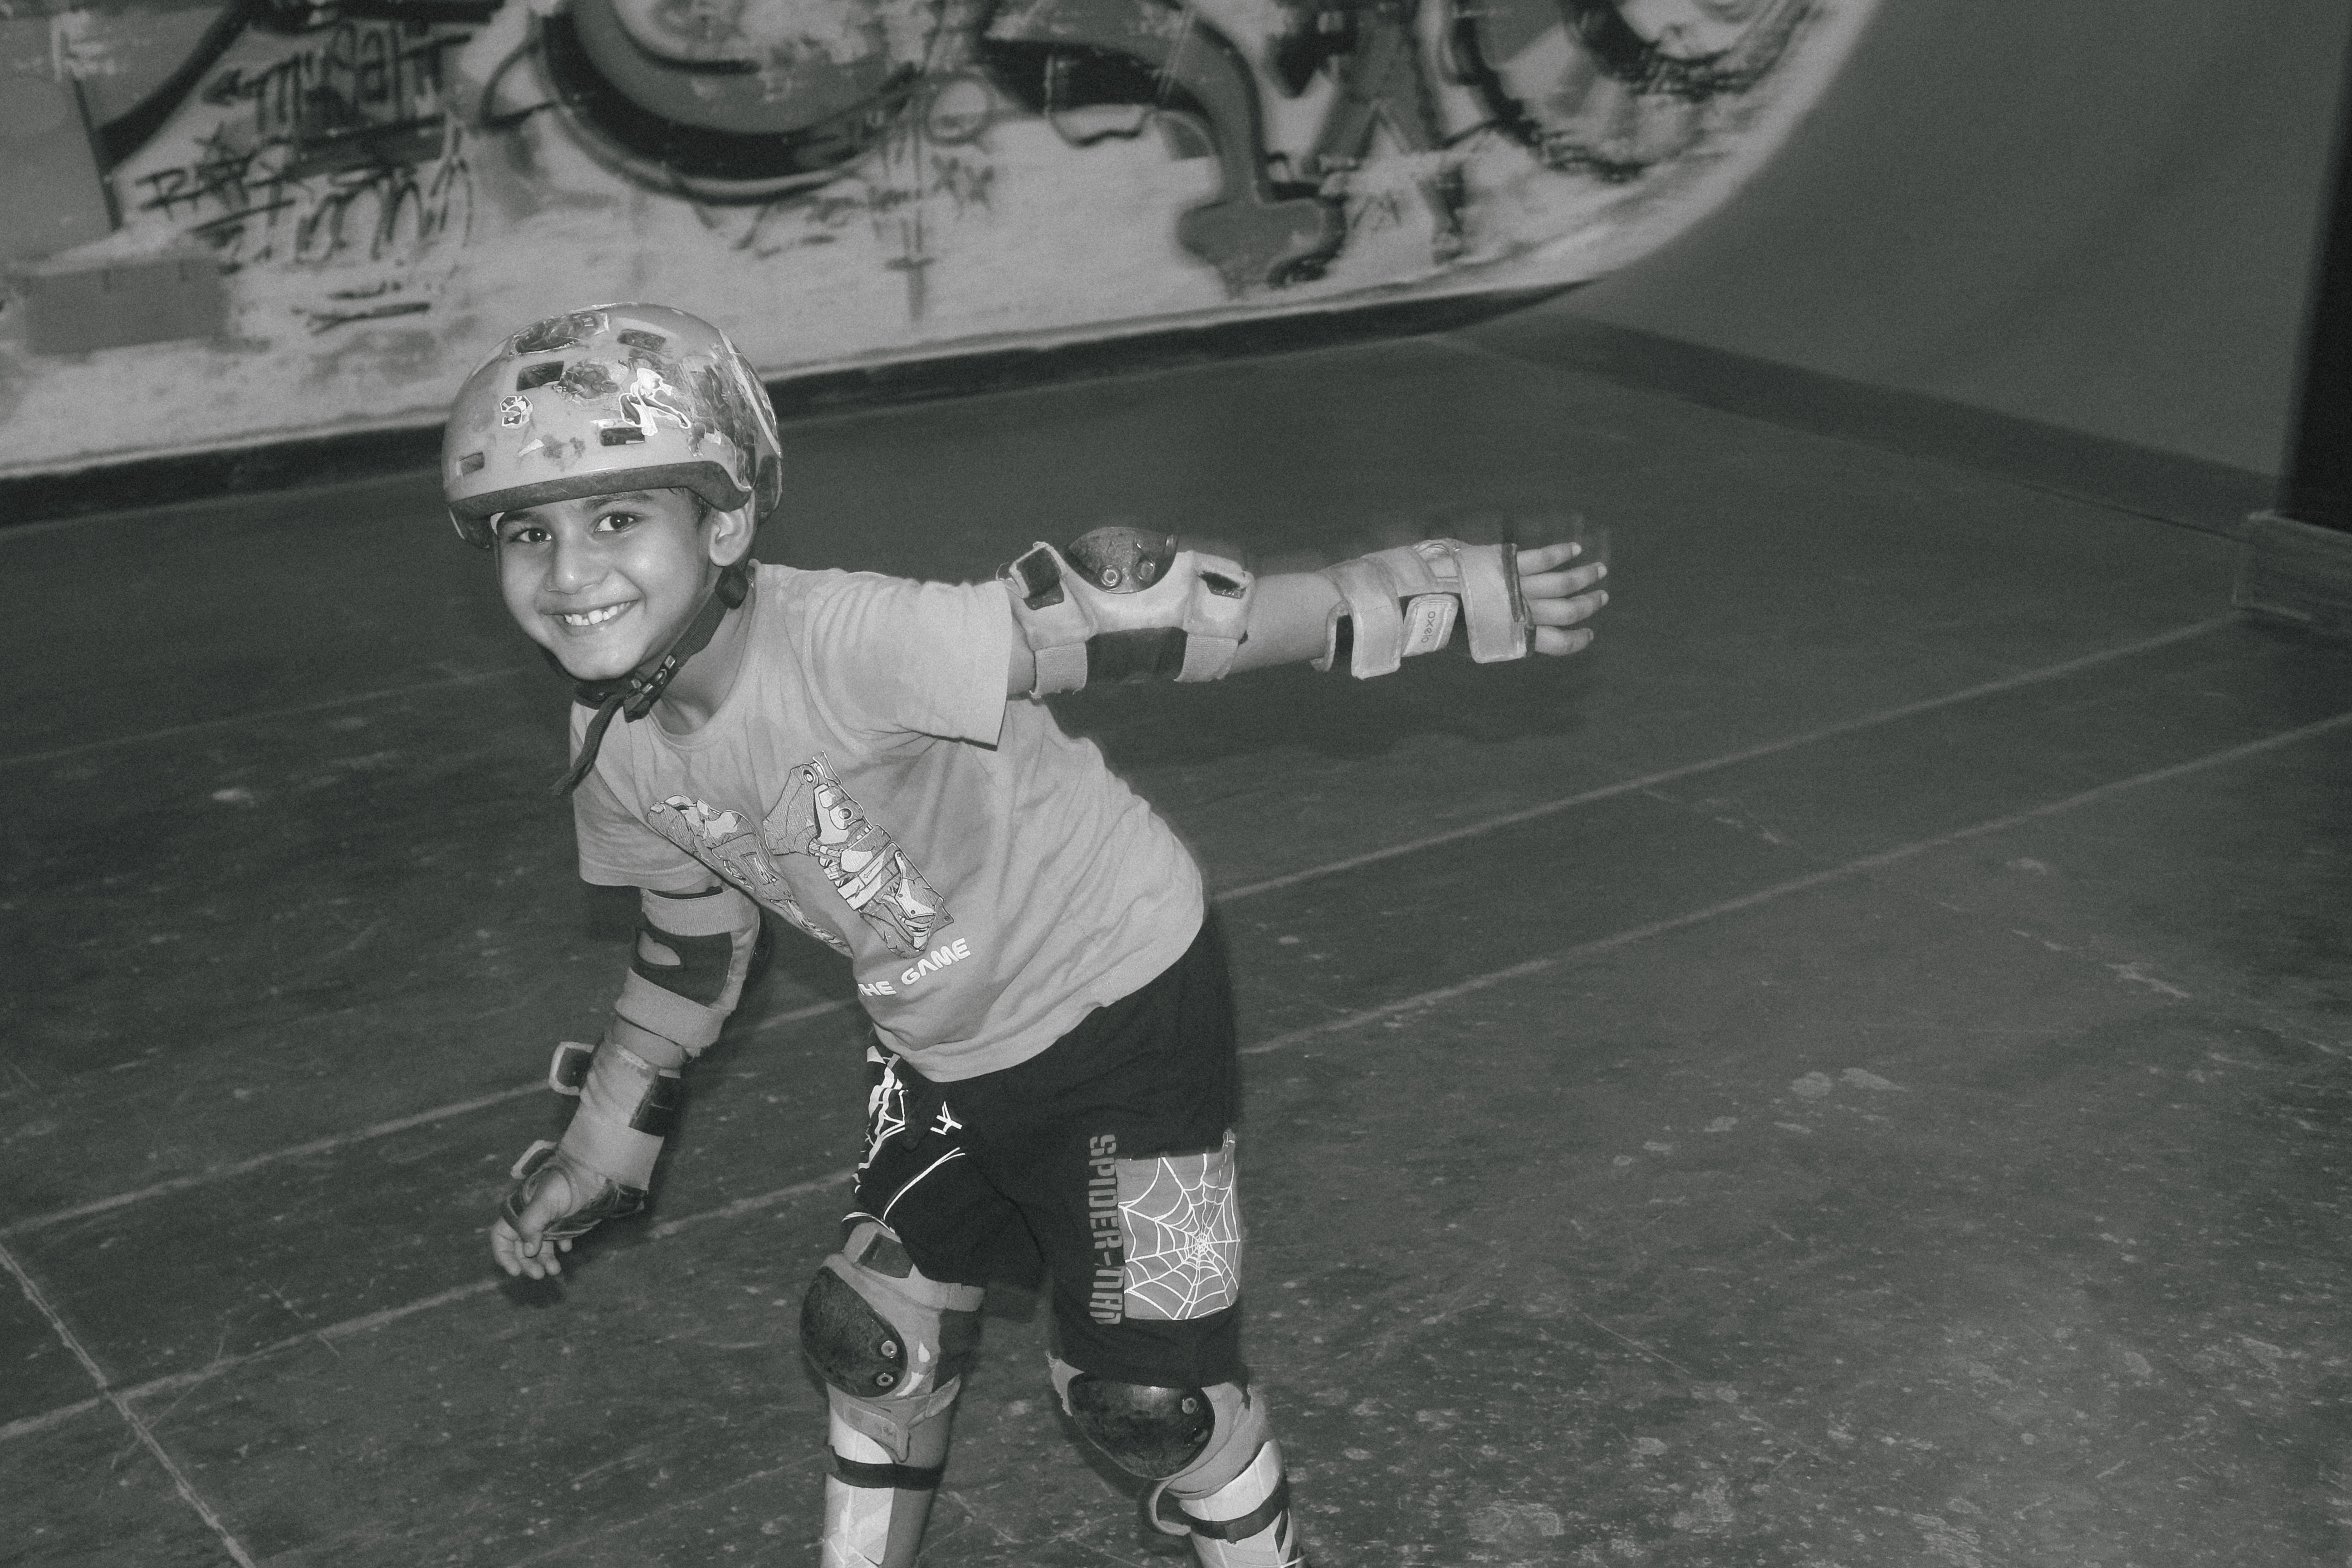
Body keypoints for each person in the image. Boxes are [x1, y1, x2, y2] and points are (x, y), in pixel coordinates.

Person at [452, 303, 1608, 1568]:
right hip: (943, 1037)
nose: (570, 574)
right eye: (529, 531)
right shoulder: (612, 740)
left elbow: (1125, 617)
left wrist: (1419, 593)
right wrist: (598, 1147)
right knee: (870, 1336)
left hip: (1126, 1005)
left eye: (619, 518)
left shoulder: (850, 645)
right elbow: (689, 950)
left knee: (1153, 1408)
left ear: (725, 519)